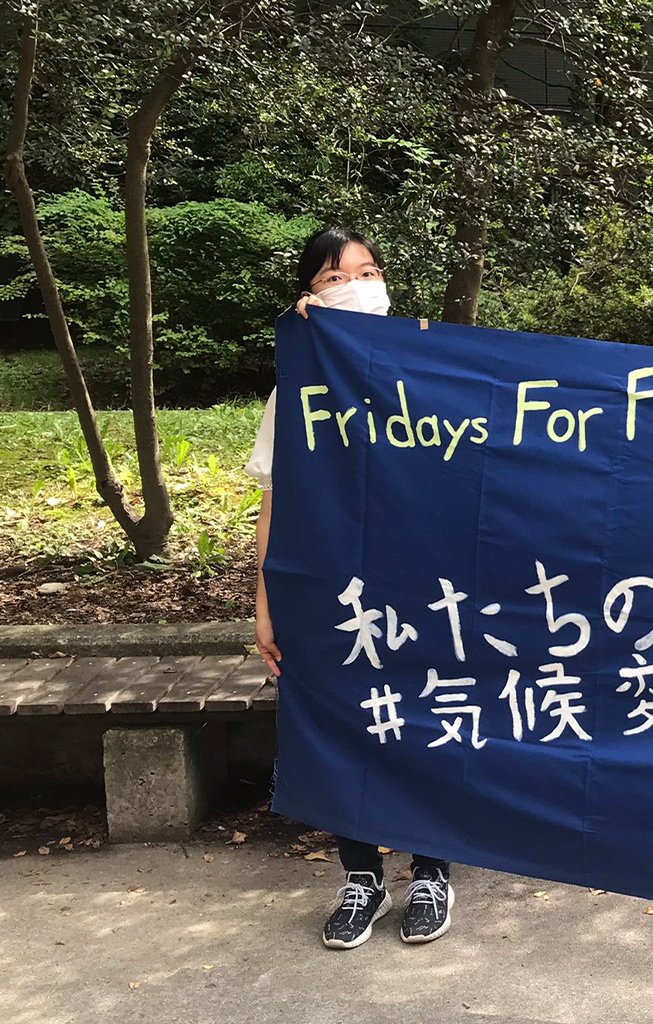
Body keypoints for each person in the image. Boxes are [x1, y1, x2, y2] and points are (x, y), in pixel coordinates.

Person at [248, 226, 456, 950]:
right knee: (346, 722)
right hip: (333, 591)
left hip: (425, 584)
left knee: (428, 718)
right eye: (339, 278)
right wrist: (265, 599)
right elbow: (276, 499)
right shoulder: (296, 388)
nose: (360, 285)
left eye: (369, 270)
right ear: (310, 292)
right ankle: (361, 875)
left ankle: (432, 870)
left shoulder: (428, 363)